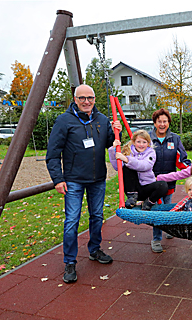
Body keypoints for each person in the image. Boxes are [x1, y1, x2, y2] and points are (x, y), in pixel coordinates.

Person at [46, 84, 122, 284]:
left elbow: (109, 143)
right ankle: (70, 262)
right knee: (72, 220)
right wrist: (58, 179)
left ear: (95, 99)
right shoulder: (64, 121)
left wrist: (117, 133)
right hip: (73, 180)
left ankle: (94, 249)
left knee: (97, 216)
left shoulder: (102, 119)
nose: (86, 101)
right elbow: (53, 154)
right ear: (75, 99)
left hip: (97, 179)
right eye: (82, 98)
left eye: (90, 98)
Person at [109, 130, 169, 253]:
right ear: (134, 142)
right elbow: (117, 166)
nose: (141, 144)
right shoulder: (128, 151)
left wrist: (126, 159)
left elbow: (144, 166)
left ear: (148, 143)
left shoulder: (151, 153)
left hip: (147, 187)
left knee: (163, 185)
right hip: (134, 188)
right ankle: (132, 197)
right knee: (126, 168)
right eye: (138, 142)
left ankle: (149, 202)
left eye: (144, 142)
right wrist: (112, 150)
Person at [149, 108, 191, 241]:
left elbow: (182, 159)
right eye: (159, 121)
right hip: (152, 181)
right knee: (157, 210)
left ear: (169, 123)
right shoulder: (148, 138)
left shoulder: (175, 138)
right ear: (155, 123)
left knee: (167, 207)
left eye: (165, 121)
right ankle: (156, 239)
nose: (162, 124)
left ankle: (168, 228)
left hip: (169, 181)